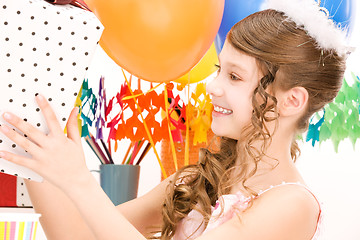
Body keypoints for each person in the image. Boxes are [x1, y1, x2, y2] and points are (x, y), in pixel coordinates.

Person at [0, 0, 349, 239]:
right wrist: (34, 144)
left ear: (292, 101)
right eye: (219, 71)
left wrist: (77, 179)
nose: (213, 87)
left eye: (235, 77)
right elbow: (79, 236)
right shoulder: (198, 181)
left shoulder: (292, 205)